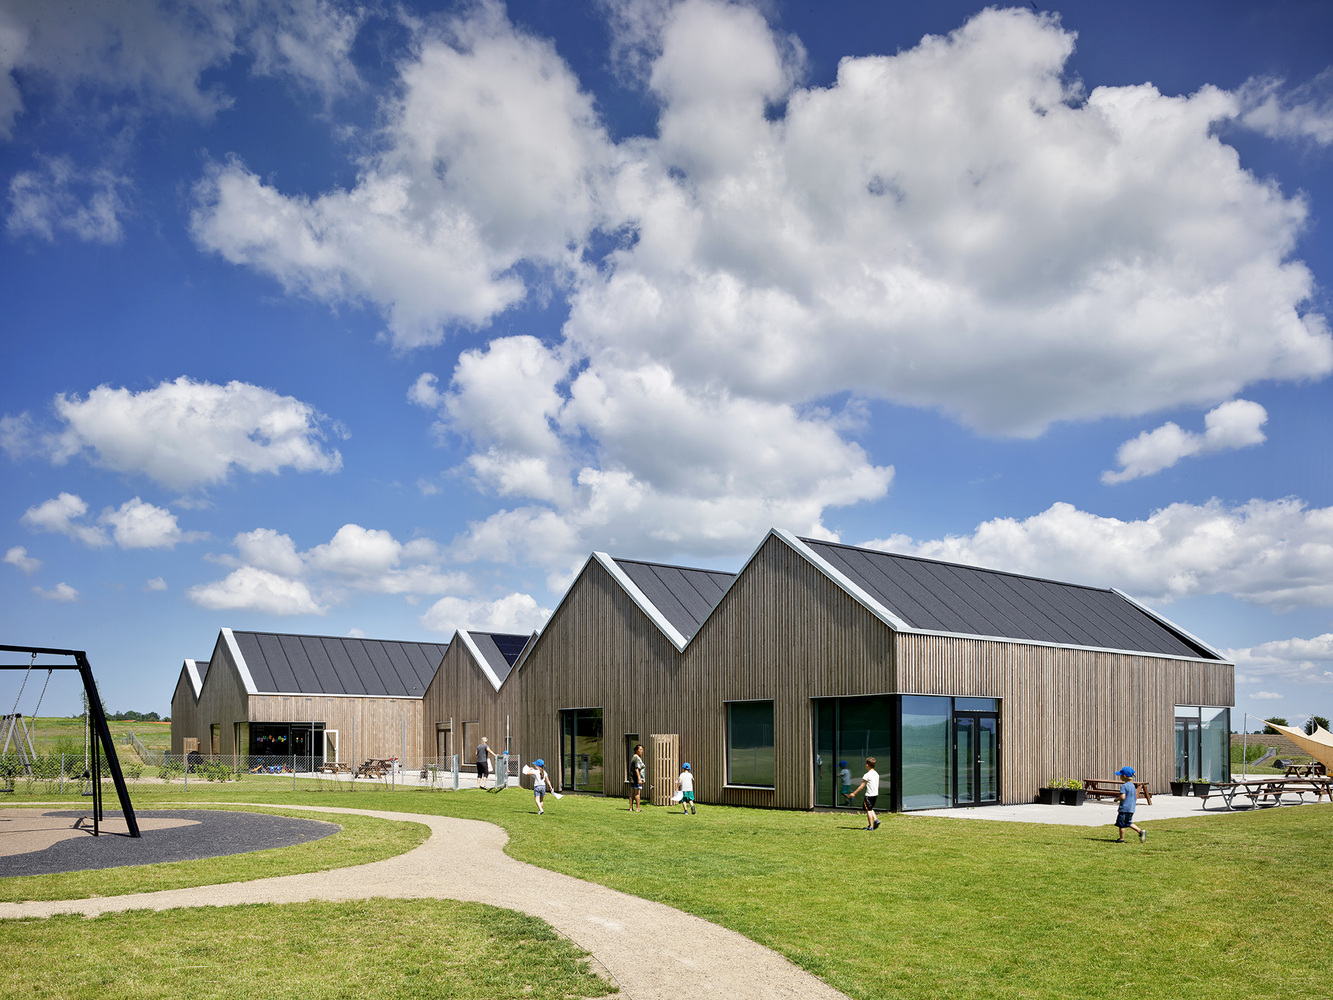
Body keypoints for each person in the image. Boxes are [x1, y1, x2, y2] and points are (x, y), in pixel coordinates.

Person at [845, 757, 881, 830]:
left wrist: (854, 793)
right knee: (870, 808)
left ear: (867, 765)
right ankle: (876, 820)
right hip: (875, 794)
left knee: (868, 810)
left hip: (869, 795)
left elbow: (862, 786)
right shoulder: (876, 774)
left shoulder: (867, 775)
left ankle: (871, 826)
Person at [1114, 766, 1147, 844]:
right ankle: (1140, 831)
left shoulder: (1124, 786)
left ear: (1124, 776)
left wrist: (1116, 799)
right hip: (1131, 808)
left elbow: (1123, 797)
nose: (1120, 776)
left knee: (1121, 824)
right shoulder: (1132, 786)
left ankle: (1121, 839)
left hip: (1124, 808)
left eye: (1120, 775)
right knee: (1128, 822)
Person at [629, 743, 646, 812]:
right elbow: (636, 769)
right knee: (637, 793)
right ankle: (637, 808)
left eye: (642, 750)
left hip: (632, 778)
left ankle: (631, 808)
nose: (641, 751)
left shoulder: (634, 757)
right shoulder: (636, 758)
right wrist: (639, 779)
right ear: (636, 750)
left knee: (632, 792)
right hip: (636, 778)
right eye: (640, 750)